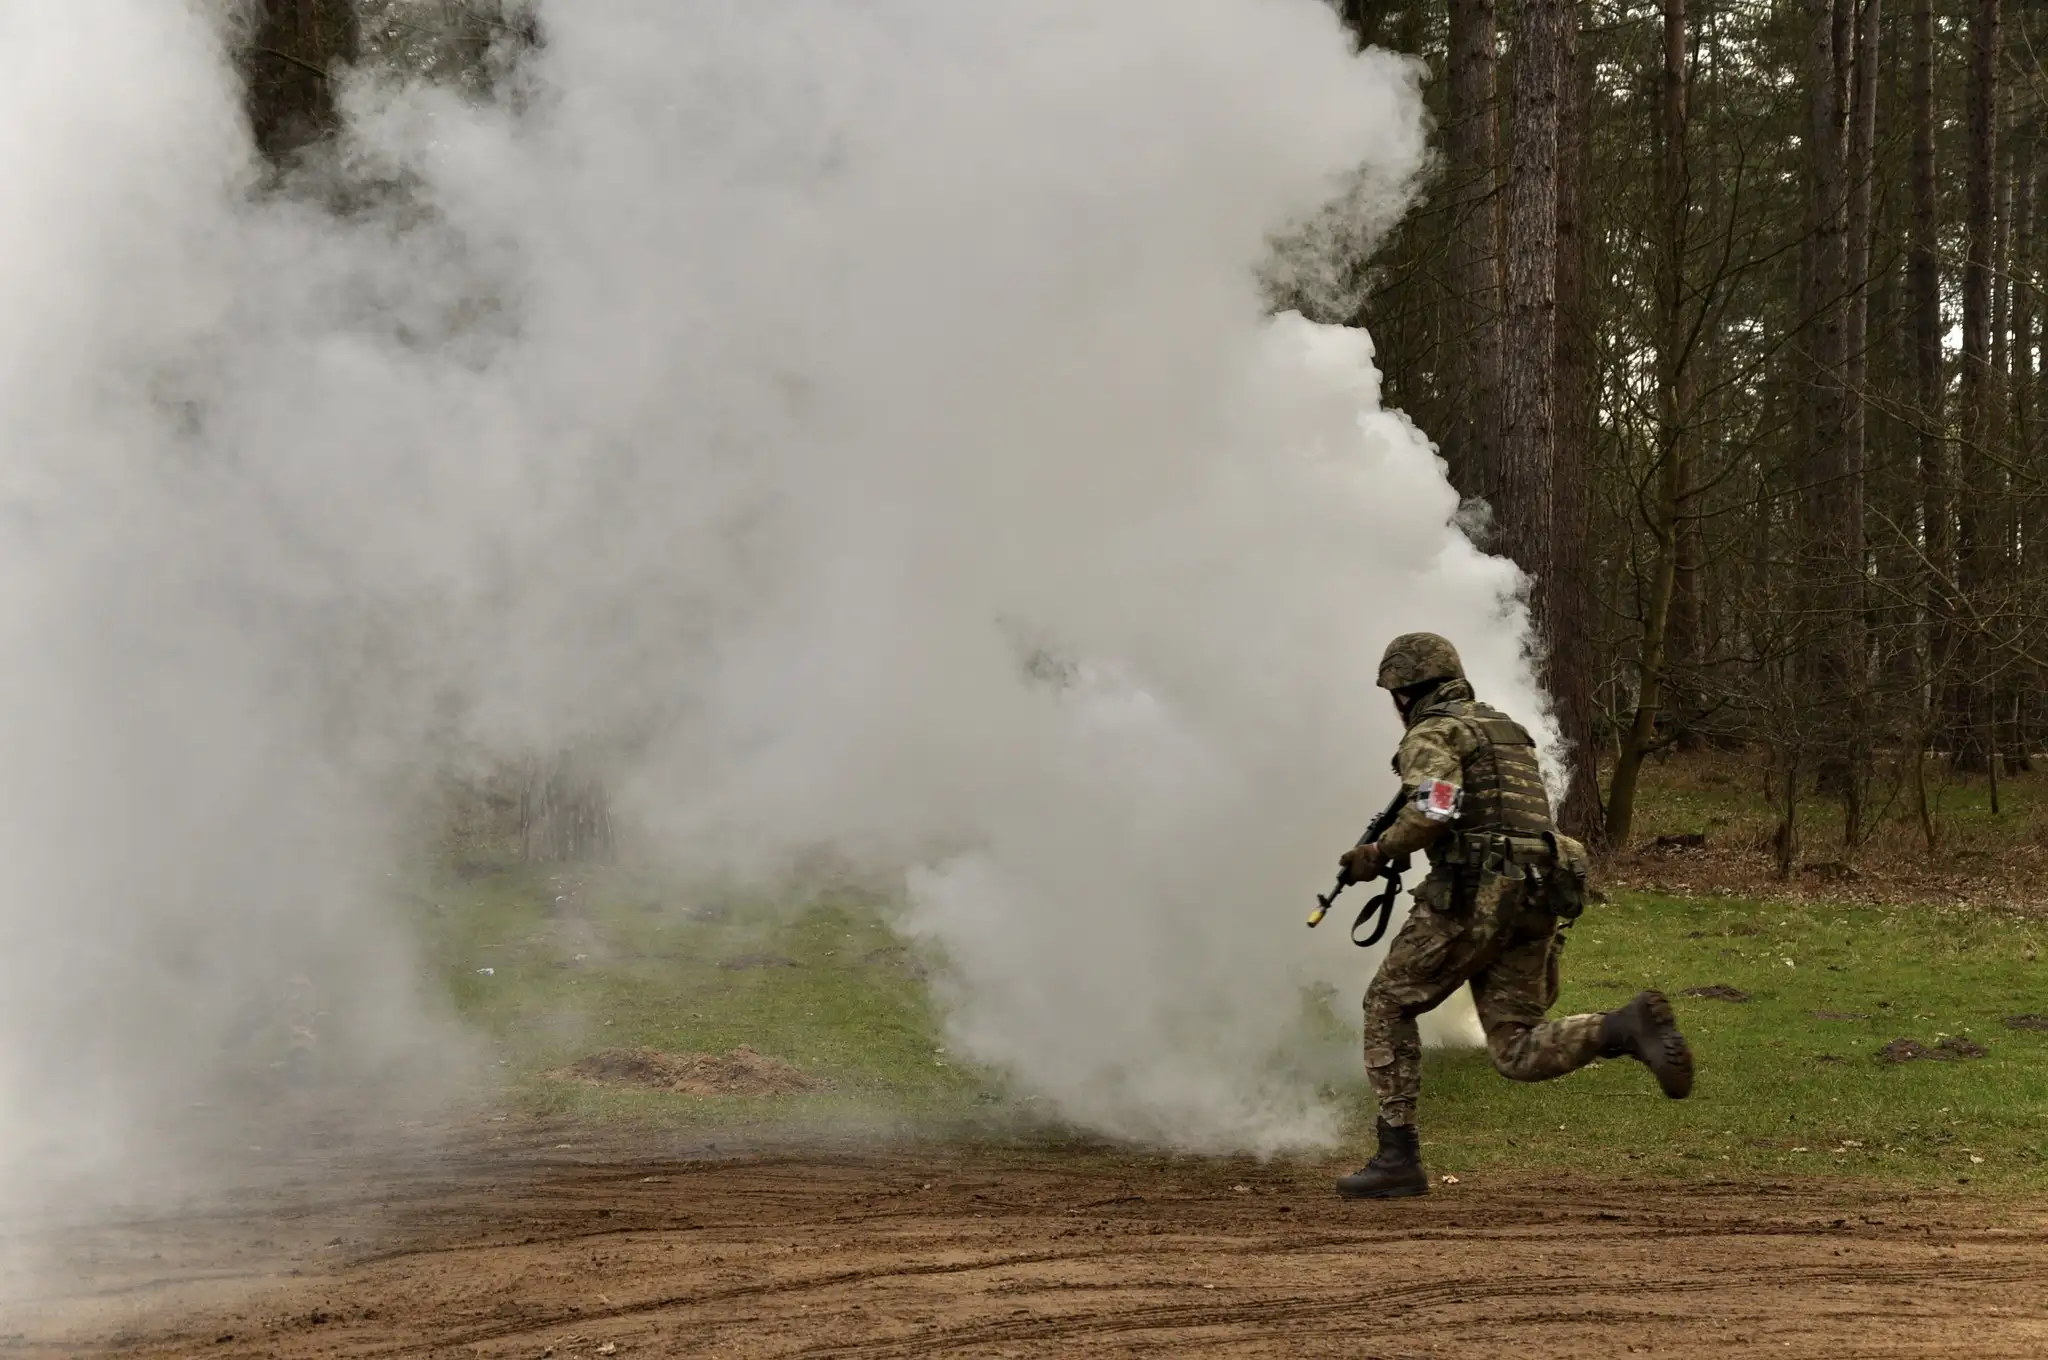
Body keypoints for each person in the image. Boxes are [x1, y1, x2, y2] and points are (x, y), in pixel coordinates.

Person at [1333, 633, 1694, 1200]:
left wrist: (1378, 855)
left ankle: (1397, 1153)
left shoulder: (1435, 731)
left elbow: (1436, 808)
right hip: (1538, 890)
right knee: (1515, 1049)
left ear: (1406, 692)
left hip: (1477, 894)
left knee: (1388, 1002)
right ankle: (1621, 1027)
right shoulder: (1504, 729)